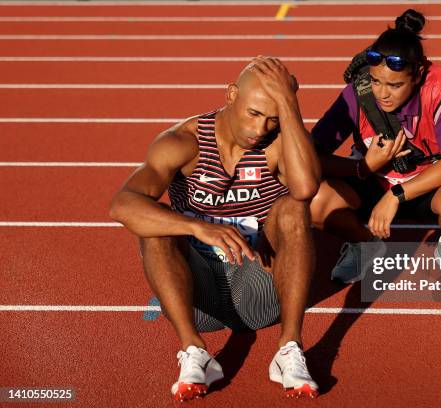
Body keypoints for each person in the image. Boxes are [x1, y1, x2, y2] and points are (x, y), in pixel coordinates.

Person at [109, 56, 321, 401]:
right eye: (254, 114)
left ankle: (289, 348)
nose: (260, 129)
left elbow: (306, 188)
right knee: (155, 225)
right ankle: (194, 351)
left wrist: (289, 105)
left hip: (258, 288)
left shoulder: (281, 141)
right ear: (231, 95)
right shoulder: (183, 141)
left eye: (273, 118)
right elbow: (122, 204)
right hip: (196, 295)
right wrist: (196, 228)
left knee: (294, 209)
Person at [309, 9, 441, 284]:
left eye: (394, 85)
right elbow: (311, 157)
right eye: (377, 81)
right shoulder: (359, 92)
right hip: (371, 180)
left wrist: (395, 196)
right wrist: (364, 166)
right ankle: (363, 245)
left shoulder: (439, 88)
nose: (382, 93)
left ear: (417, 75)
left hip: (427, 184)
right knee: (314, 200)